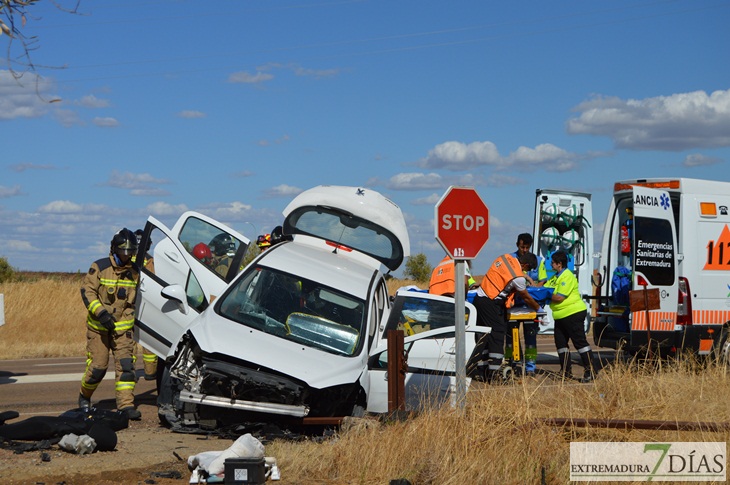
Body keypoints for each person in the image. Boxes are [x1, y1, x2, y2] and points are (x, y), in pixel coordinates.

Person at [78, 228, 142, 420]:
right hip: (99, 328)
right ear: (114, 249)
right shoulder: (99, 267)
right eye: (124, 251)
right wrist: (102, 314)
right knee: (98, 367)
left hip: (123, 330)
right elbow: (87, 292)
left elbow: (136, 300)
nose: (127, 256)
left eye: (130, 252)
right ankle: (84, 397)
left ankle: (125, 406)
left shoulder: (135, 272)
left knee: (126, 367)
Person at [471, 252, 541, 383]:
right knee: (497, 334)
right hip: (490, 302)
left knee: (483, 336)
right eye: (528, 269)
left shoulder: (505, 258)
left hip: (479, 300)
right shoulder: (518, 278)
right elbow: (525, 296)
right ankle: (495, 374)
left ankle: (481, 371)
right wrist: (538, 308)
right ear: (525, 265)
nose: (527, 272)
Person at [544, 250, 596, 382]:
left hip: (572, 313)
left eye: (553, 262)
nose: (551, 264)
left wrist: (546, 295)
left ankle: (591, 371)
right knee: (560, 344)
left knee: (580, 343)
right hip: (561, 316)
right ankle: (566, 372)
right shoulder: (556, 277)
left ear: (559, 264)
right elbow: (544, 287)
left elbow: (559, 297)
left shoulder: (567, 276)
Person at [504, 251, 540, 376]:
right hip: (514, 308)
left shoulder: (539, 261)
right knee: (511, 340)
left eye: (526, 247)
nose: (524, 249)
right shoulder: (512, 261)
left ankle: (530, 368)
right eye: (521, 246)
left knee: (530, 339)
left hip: (528, 309)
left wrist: (533, 284)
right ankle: (513, 363)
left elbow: (542, 282)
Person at [133, 229, 158, 381]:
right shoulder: (151, 262)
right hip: (146, 304)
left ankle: (128, 370)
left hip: (129, 304)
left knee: (129, 340)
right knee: (148, 339)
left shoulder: (127, 260)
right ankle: (150, 372)